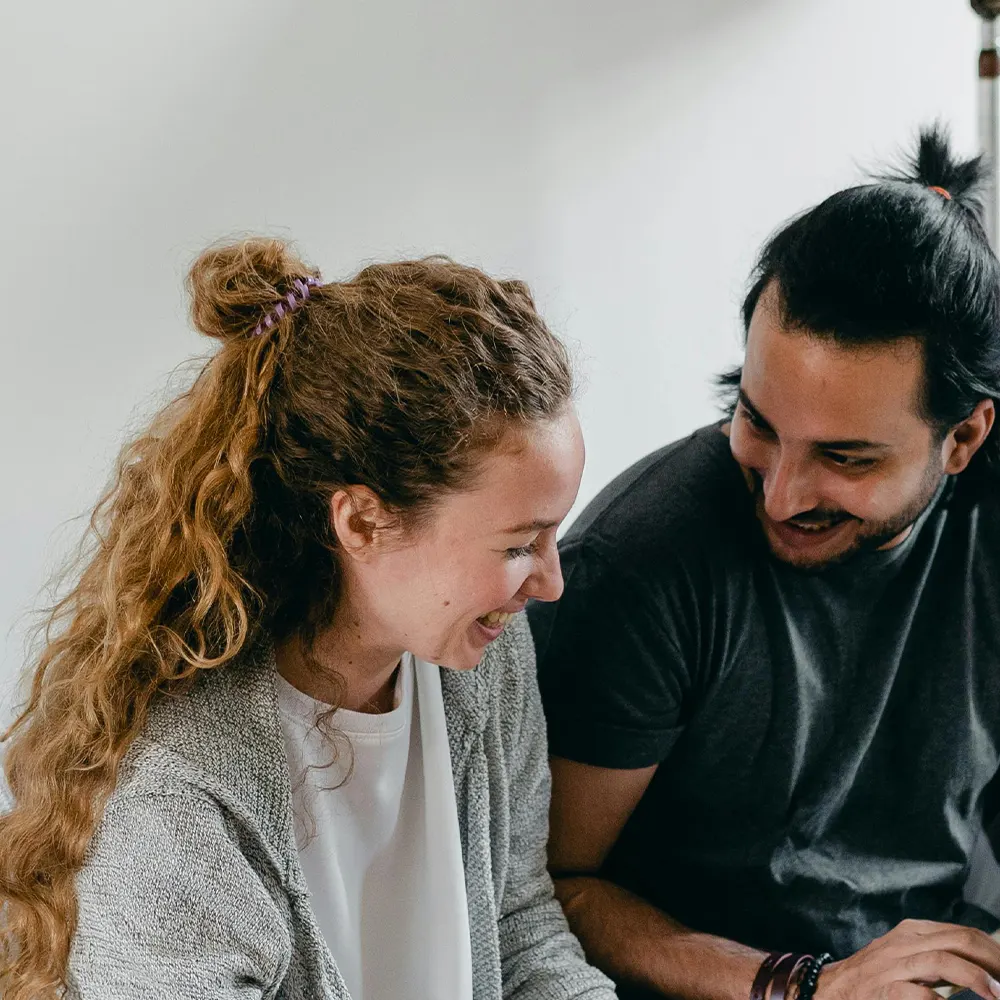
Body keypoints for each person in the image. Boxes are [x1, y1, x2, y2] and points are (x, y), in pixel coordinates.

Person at [0, 238, 617, 1000]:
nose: (551, 583)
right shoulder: (178, 794)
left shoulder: (487, 654)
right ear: (361, 522)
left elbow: (519, 926)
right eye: (521, 544)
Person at [528, 126, 1000, 1000]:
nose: (782, 495)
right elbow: (546, 891)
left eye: (847, 459)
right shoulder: (642, 562)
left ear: (965, 436)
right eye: (758, 423)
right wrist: (810, 987)